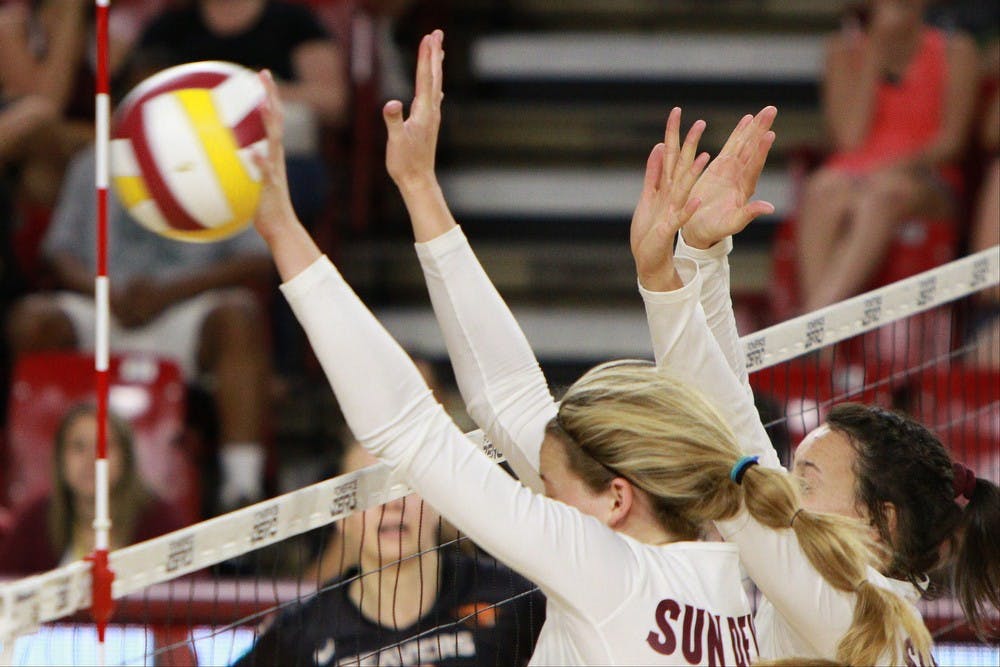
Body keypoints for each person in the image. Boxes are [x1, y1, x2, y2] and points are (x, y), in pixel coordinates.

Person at [251, 30, 931, 665]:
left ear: (617, 497)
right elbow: (515, 399)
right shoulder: (733, 580)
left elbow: (411, 427)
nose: (780, 482)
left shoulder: (610, 565)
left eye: (545, 488)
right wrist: (422, 193)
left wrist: (284, 230)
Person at [638, 113, 1000, 648]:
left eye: (806, 484)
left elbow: (732, 451)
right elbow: (737, 421)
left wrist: (660, 280)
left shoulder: (850, 610)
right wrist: (701, 253)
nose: (784, 490)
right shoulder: (862, 601)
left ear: (880, 523)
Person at [5, 135, 274, 514]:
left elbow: (258, 259)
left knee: (240, 314)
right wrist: (104, 290)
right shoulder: (92, 161)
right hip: (102, 306)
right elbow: (58, 253)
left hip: (183, 308)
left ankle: (243, 491)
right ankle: (27, 484)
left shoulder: (221, 161)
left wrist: (170, 292)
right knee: (30, 320)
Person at [233, 440, 544, 666]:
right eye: (371, 492)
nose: (391, 504)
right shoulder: (302, 632)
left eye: (404, 486)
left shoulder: (513, 598)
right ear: (343, 518)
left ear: (436, 501)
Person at [794, 0, 980, 312]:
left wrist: (894, 168)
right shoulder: (841, 50)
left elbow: (951, 142)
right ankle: (822, 342)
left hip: (923, 178)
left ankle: (812, 323)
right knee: (821, 189)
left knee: (882, 194)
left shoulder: (956, 50)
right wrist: (873, 56)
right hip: (853, 174)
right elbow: (849, 139)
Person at [136, 0, 349, 230]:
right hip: (183, 160)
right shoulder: (168, 28)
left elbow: (334, 102)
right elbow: (139, 101)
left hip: (275, 161)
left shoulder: (295, 23)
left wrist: (251, 90)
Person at [0, 403, 184, 574]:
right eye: (78, 447)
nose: (91, 460)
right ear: (60, 459)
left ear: (125, 459)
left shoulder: (161, 521)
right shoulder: (34, 520)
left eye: (103, 446)